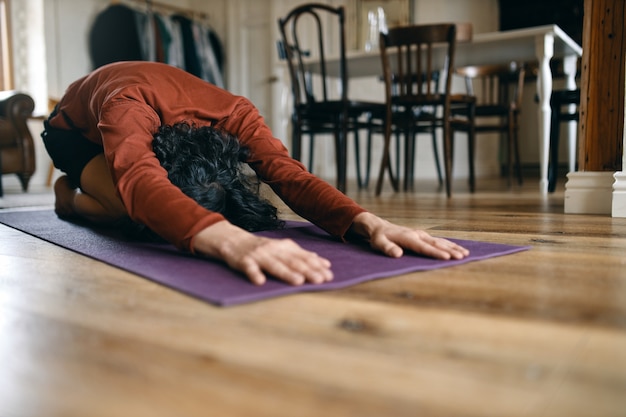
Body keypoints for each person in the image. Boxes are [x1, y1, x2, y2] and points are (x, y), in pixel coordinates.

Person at [42, 61, 469, 286]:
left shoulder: (236, 113)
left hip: (135, 126)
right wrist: (229, 238)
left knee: (156, 212)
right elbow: (140, 179)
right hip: (74, 135)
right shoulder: (127, 108)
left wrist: (367, 222)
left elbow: (289, 175)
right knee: (129, 210)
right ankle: (68, 196)